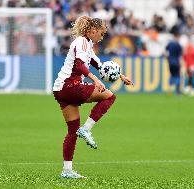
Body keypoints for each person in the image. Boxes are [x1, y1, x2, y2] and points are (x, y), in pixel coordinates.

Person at [52, 15, 133, 179]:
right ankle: (87, 129)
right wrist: (95, 80)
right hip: (71, 86)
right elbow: (80, 65)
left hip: (60, 90)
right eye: (101, 34)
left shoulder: (86, 44)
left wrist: (121, 76)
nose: (101, 38)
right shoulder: (81, 42)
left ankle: (67, 170)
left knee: (72, 132)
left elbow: (99, 65)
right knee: (110, 97)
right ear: (92, 30)